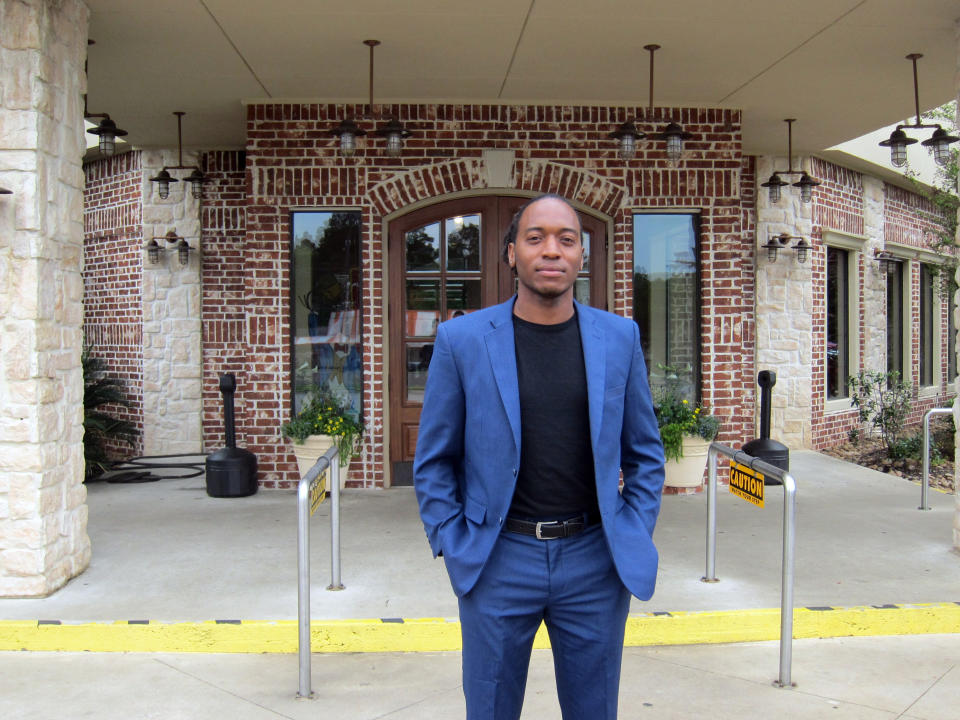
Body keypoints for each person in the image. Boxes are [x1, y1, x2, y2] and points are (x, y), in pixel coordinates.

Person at [413, 194, 665, 719]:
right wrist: (452, 540)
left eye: (566, 239)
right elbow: (434, 459)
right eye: (535, 238)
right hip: (497, 558)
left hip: (595, 559)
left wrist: (632, 528)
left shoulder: (619, 338)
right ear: (511, 254)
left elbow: (645, 453)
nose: (551, 250)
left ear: (581, 255)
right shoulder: (462, 341)